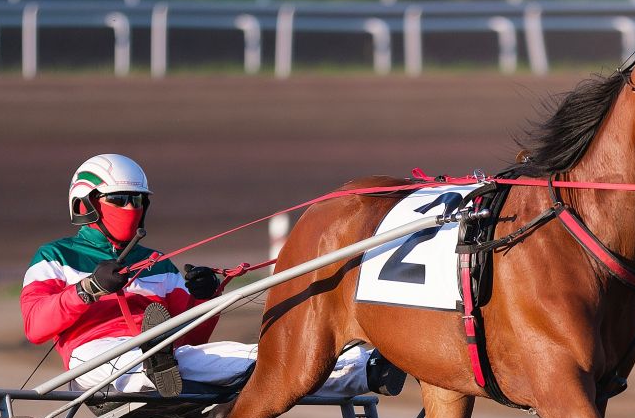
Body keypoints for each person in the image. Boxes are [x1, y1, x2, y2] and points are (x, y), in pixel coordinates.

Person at [20, 153, 404, 398]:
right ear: (86, 204)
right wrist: (89, 288)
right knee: (133, 362)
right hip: (94, 358)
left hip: (170, 353)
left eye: (138, 200)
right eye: (119, 200)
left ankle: (364, 369)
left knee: (265, 359)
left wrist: (204, 300)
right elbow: (36, 326)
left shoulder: (157, 262)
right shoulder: (55, 256)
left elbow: (192, 335)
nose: (131, 208)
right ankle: (153, 372)